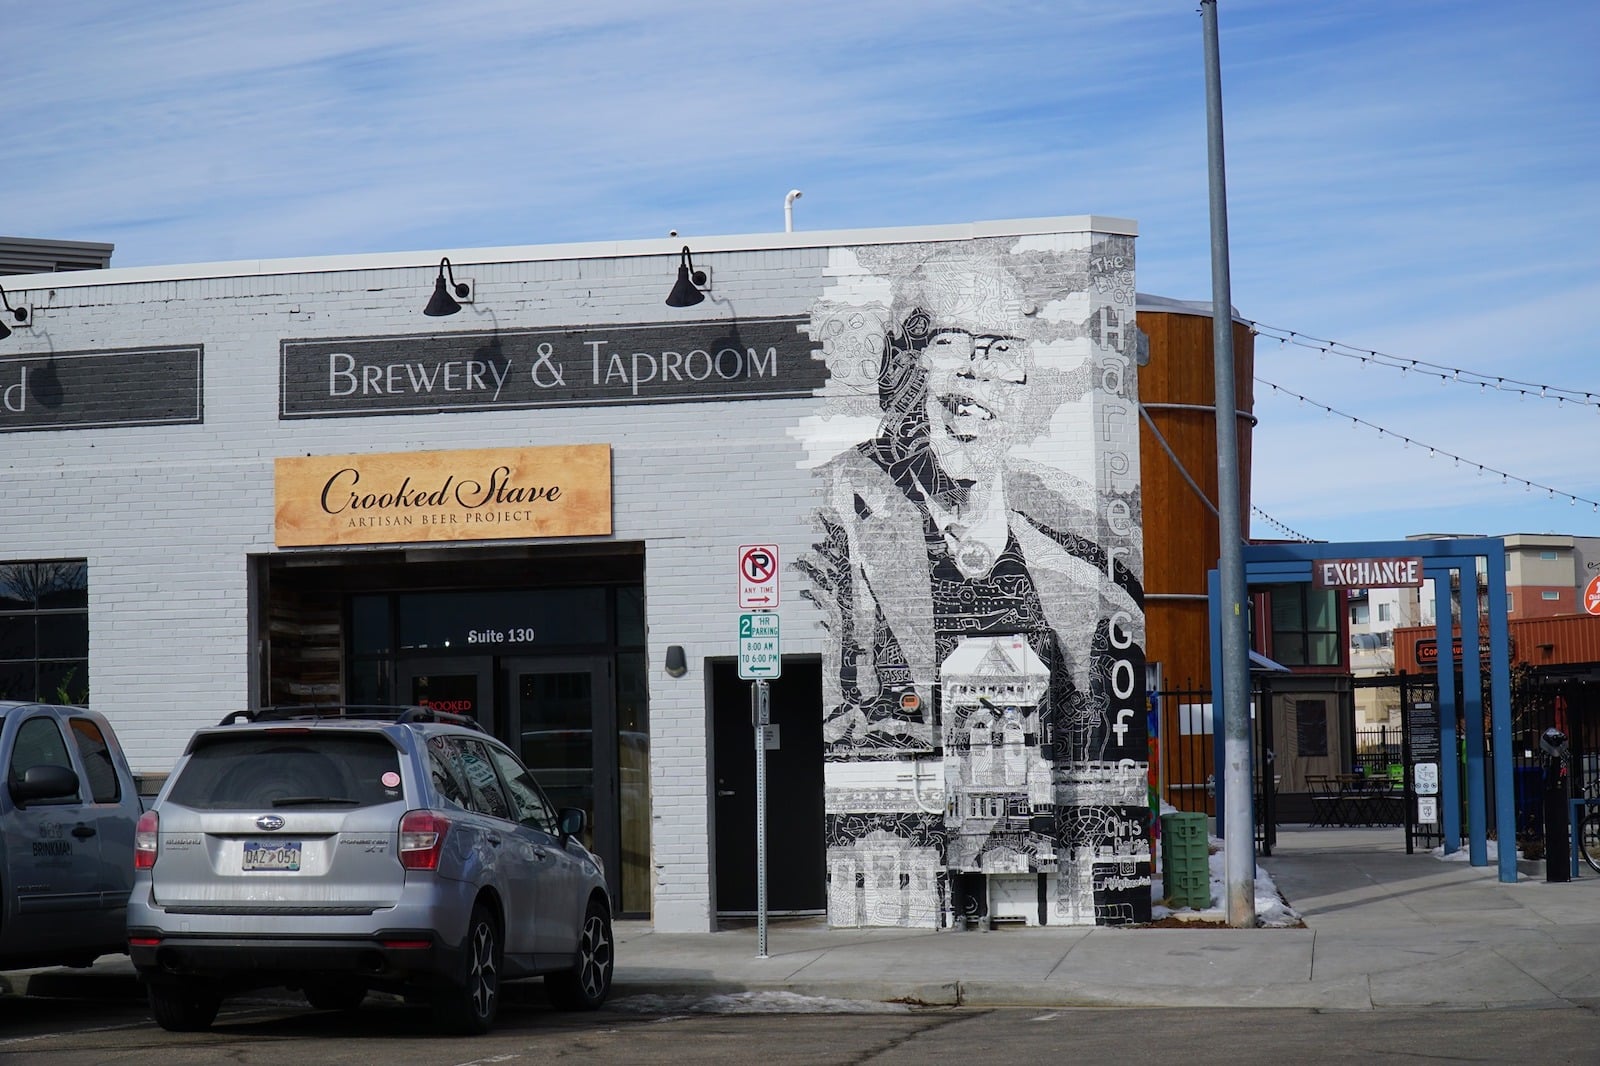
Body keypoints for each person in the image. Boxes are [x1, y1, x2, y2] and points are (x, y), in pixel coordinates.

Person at [797, 246, 1143, 764]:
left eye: (1000, 348)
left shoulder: (1088, 551)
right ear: (897, 364)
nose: (975, 373)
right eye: (948, 343)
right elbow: (832, 721)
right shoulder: (827, 525)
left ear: (1027, 379)